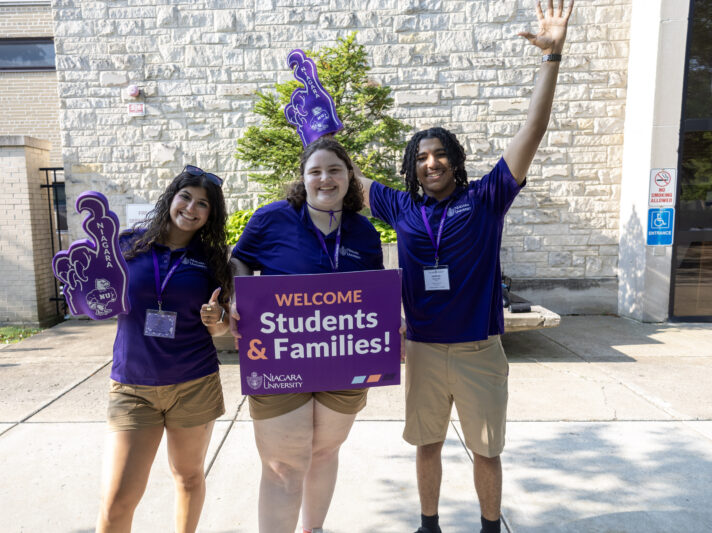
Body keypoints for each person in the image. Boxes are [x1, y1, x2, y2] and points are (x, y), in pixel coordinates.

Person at [356, 2, 575, 532]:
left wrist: (553, 58)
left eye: (439, 154)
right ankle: (428, 524)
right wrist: (314, 128)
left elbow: (533, 130)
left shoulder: (486, 198)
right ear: (412, 167)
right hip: (423, 350)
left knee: (486, 451)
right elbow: (341, 175)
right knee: (426, 445)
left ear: (454, 159)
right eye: (421, 157)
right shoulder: (400, 206)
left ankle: (489, 525)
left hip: (480, 349)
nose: (430, 162)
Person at [229, 137, 384, 533]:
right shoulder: (271, 219)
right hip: (280, 354)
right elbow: (240, 260)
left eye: (334, 169)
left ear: (350, 177)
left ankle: (312, 529)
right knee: (283, 465)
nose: (325, 178)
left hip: (345, 356)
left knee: (325, 450)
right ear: (303, 178)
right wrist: (237, 298)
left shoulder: (364, 232)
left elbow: (374, 292)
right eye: (315, 171)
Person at [96, 166, 232, 533]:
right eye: (185, 197)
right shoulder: (128, 245)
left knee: (188, 479)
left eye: (203, 204)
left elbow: (223, 329)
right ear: (171, 198)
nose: (191, 208)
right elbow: (98, 300)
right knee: (118, 500)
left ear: (210, 214)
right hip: (133, 386)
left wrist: (215, 318)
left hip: (194, 384)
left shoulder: (213, 260)